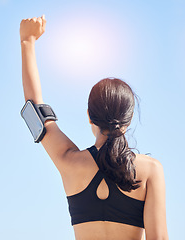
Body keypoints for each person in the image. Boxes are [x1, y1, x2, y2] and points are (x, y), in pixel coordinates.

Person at [20, 15, 169, 240]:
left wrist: (27, 41)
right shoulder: (150, 170)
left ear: (89, 116)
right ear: (128, 121)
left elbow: (35, 112)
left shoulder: (69, 160)